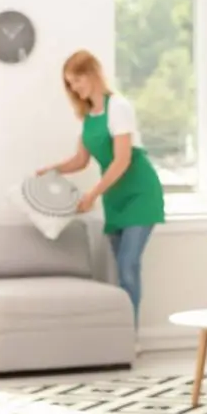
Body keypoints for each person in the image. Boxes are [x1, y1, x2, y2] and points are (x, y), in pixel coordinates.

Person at [38, 50, 166, 344]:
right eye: (70, 84)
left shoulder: (118, 107)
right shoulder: (88, 117)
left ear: (93, 73)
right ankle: (119, 335)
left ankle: (129, 339)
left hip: (139, 193)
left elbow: (121, 160)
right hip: (114, 196)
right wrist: (52, 169)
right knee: (119, 269)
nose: (75, 88)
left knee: (128, 266)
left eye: (78, 80)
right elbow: (81, 160)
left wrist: (93, 193)